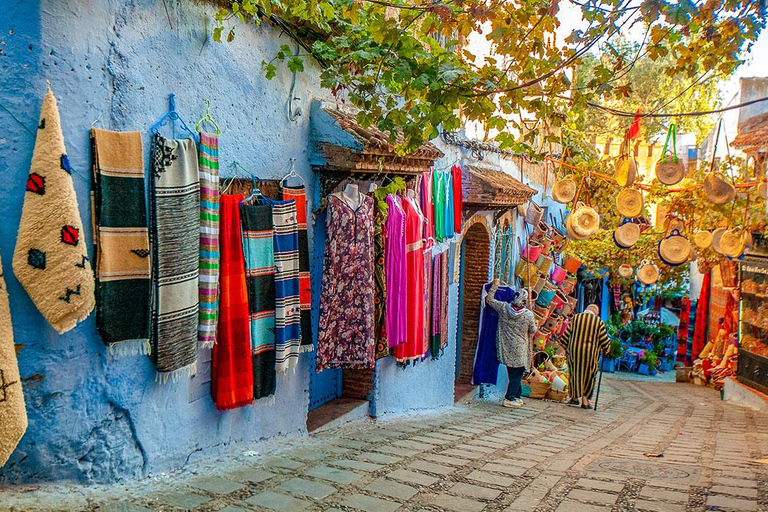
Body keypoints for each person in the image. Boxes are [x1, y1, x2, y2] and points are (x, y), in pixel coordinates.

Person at [485, 279, 536, 408]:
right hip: (520, 348)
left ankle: (517, 396)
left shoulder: (503, 308)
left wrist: (494, 286)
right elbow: (533, 330)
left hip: (506, 346)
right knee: (517, 374)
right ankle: (510, 398)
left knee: (513, 373)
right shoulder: (528, 315)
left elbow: (489, 300)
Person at [562, 304, 610, 409]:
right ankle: (585, 400)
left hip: (575, 351)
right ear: (596, 313)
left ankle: (574, 398)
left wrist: (564, 346)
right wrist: (607, 349)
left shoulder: (575, 318)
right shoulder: (598, 322)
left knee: (575, 374)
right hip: (591, 354)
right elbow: (604, 339)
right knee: (589, 376)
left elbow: (566, 335)